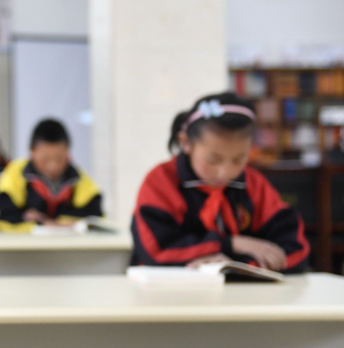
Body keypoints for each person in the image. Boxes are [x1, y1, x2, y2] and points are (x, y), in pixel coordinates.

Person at [130, 92, 310, 272]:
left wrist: (236, 266)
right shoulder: (161, 182)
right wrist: (232, 244)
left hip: (243, 288)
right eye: (213, 160)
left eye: (239, 159)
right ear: (185, 143)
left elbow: (295, 249)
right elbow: (157, 252)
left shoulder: (254, 185)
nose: (225, 172)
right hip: (168, 288)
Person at [0, 118, 102, 231]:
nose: (52, 166)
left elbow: (95, 218)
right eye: (45, 159)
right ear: (32, 151)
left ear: (68, 152)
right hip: (25, 241)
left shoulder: (79, 179)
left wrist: (50, 221)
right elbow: (3, 217)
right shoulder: (15, 174)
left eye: (59, 159)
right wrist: (39, 225)